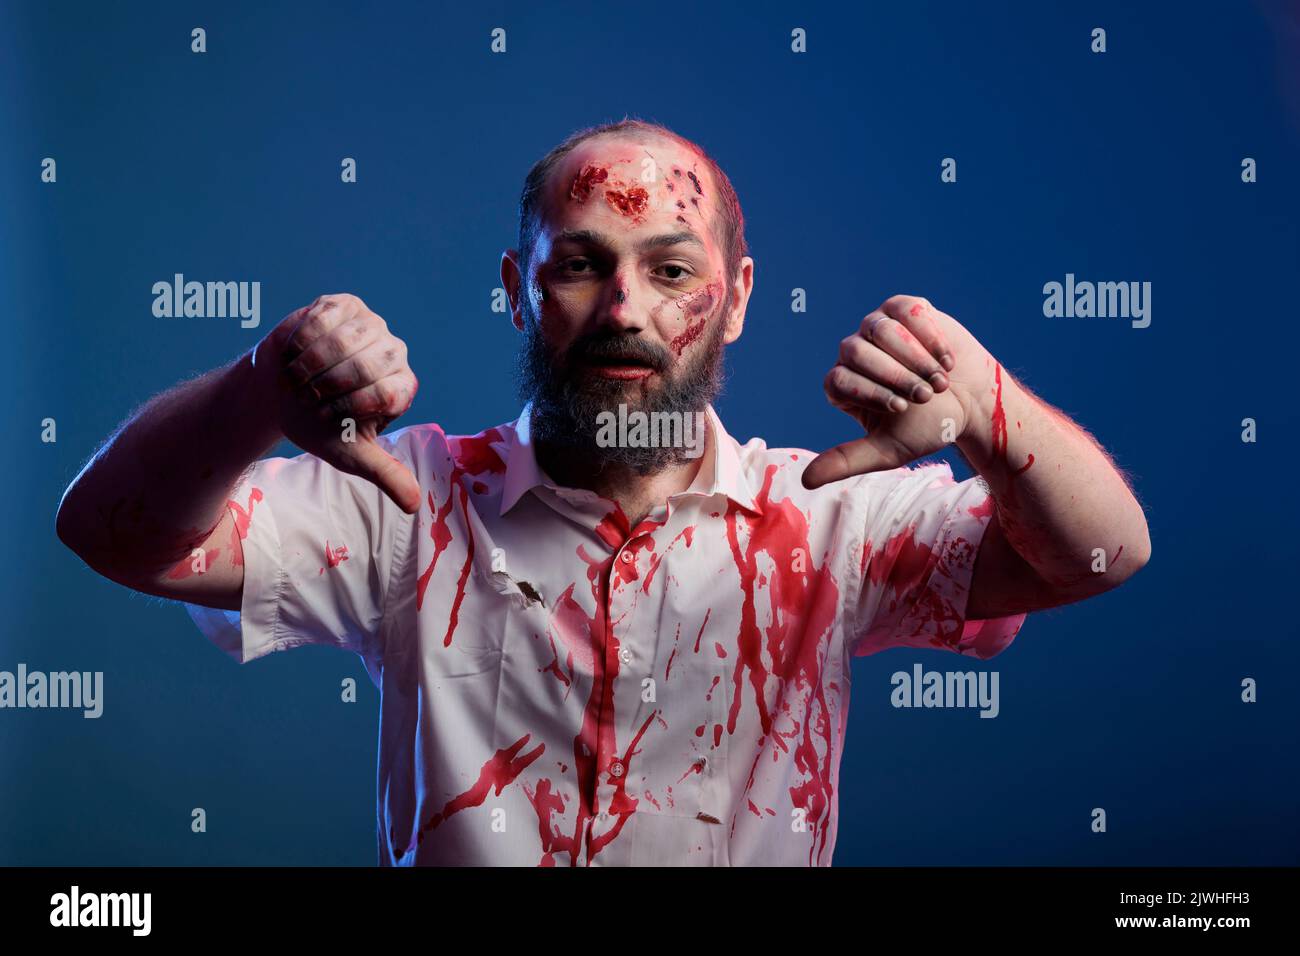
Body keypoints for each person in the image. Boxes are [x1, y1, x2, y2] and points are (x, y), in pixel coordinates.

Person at [55, 119, 1150, 866]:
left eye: (671, 269)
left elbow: (1099, 555)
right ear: (516, 290)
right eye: (578, 263)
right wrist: (257, 389)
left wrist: (990, 406)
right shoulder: (405, 504)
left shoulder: (828, 519)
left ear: (735, 301)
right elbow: (111, 534)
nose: (624, 305)